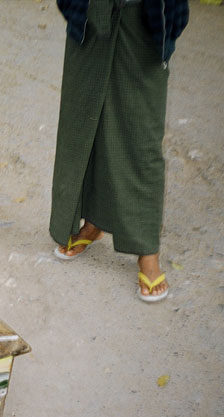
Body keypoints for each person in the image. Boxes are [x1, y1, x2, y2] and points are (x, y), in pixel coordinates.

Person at [49, 0, 189, 302]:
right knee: (84, 122)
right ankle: (94, 222)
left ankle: (146, 248)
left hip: (146, 14)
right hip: (90, 10)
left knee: (142, 135)